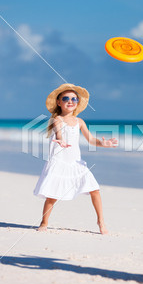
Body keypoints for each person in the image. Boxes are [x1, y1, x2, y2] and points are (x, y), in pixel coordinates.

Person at [34, 83, 118, 235]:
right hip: (60, 162)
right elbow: (59, 132)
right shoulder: (57, 120)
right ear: (59, 102)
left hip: (76, 163)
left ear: (78, 103)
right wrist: (60, 139)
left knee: (95, 190)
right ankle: (44, 222)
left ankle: (101, 222)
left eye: (74, 98)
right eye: (66, 98)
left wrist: (103, 143)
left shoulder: (80, 122)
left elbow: (91, 140)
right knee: (52, 196)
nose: (70, 101)